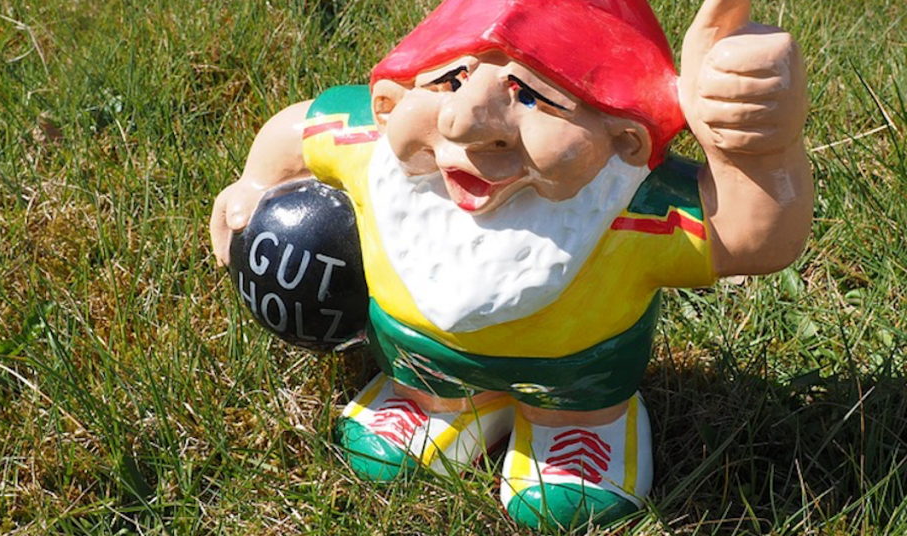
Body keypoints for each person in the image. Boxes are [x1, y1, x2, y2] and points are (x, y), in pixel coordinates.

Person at [209, 0, 811, 528]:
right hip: (417, 358)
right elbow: (300, 127)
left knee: (571, 454)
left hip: (579, 382)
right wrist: (255, 183)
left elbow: (755, 238)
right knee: (409, 407)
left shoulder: (636, 204)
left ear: (625, 138)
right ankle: (429, 398)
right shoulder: (369, 149)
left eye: (531, 94)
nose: (463, 121)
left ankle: (578, 428)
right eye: (451, 79)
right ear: (394, 97)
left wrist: (758, 149)